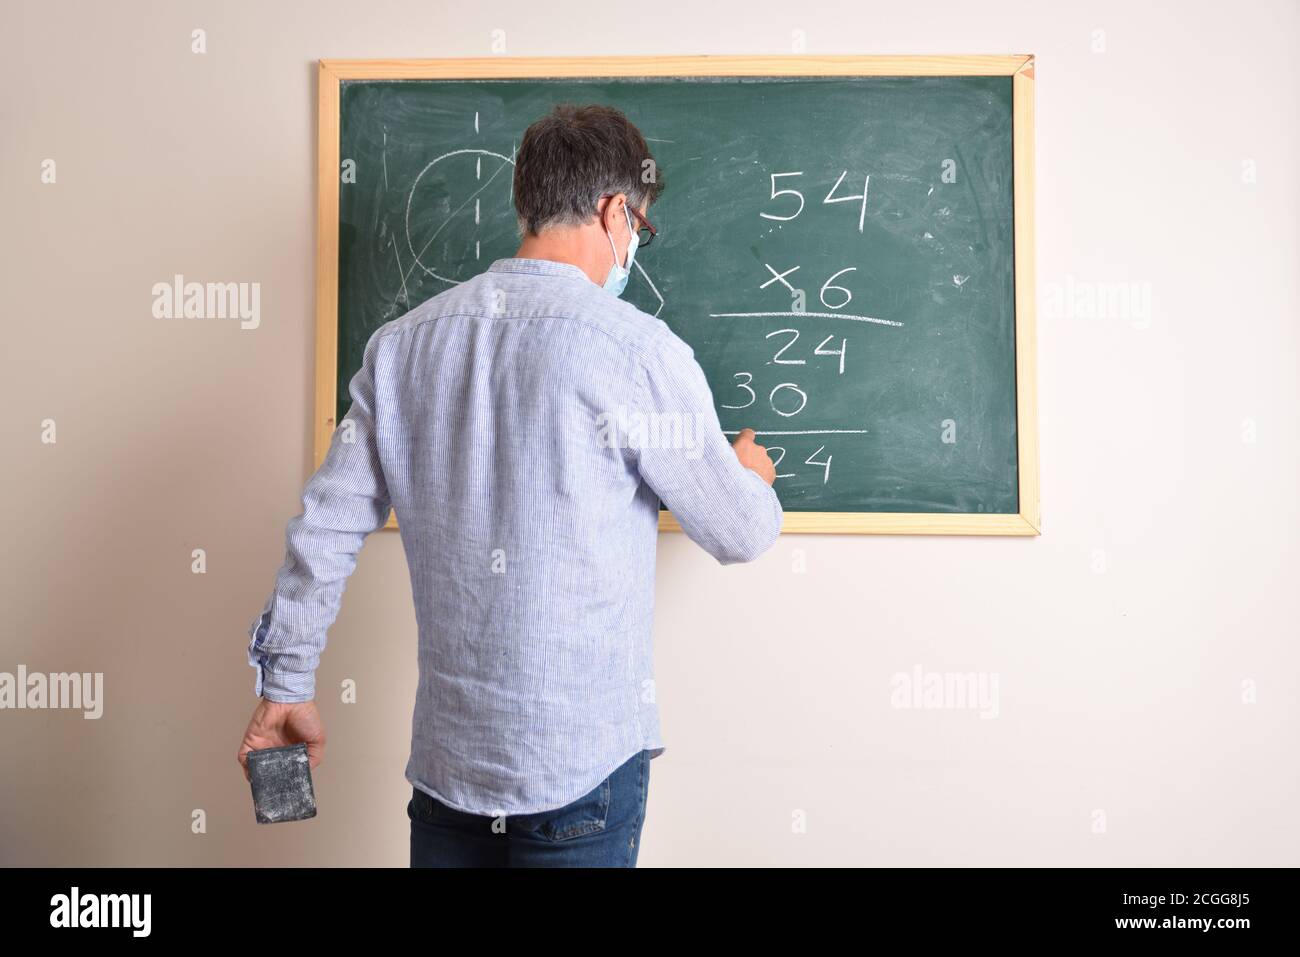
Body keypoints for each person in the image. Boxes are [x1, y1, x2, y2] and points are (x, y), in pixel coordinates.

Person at [237, 104, 782, 867]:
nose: (634, 246)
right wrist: (747, 478)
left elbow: (325, 524)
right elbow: (740, 529)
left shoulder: (400, 350)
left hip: (449, 781)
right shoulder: (632, 351)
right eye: (640, 228)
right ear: (614, 209)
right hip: (579, 784)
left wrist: (286, 682)